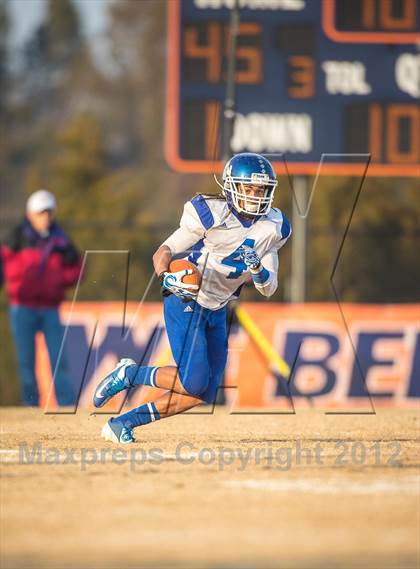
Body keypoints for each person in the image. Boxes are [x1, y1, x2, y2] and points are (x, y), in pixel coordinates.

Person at [93, 153, 292, 444]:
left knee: (203, 392)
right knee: (194, 381)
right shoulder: (211, 213)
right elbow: (163, 251)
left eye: (261, 190)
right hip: (186, 298)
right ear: (231, 187)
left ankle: (122, 423)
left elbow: (268, 288)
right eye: (248, 189)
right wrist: (165, 276)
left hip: (218, 307)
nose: (255, 197)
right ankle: (131, 374)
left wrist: (258, 269)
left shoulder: (274, 227)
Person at [0, 190, 82, 406]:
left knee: (58, 360)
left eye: (48, 213)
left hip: (49, 308)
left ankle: (66, 405)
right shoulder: (16, 237)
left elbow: (77, 267)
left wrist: (59, 279)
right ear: (30, 214)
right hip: (22, 307)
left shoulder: (61, 239)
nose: (44, 217)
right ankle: (31, 405)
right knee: (26, 362)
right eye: (40, 213)